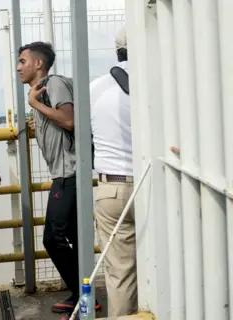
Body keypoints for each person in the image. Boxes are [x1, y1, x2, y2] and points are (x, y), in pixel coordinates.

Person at [17, 41, 100, 318]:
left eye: (22, 61)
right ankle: (84, 296)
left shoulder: (54, 85)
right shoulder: (44, 90)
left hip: (69, 174)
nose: (18, 68)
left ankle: (82, 294)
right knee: (74, 236)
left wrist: (33, 104)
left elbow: (68, 120)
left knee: (53, 238)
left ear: (38, 64)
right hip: (66, 172)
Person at [90, 25, 137, 317]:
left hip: (111, 188)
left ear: (117, 52)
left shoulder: (96, 87)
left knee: (120, 273)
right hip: (158, 184)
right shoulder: (164, 79)